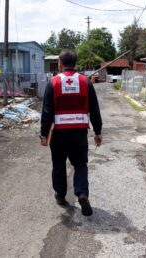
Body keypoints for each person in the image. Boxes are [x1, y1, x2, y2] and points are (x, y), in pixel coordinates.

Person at [40, 49, 102, 216]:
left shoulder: (53, 82)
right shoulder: (85, 82)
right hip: (79, 133)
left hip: (59, 133)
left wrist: (43, 134)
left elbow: (47, 111)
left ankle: (60, 196)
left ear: (60, 63)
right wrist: (98, 131)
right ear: (75, 63)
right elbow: (94, 109)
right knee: (80, 164)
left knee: (59, 165)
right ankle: (81, 193)